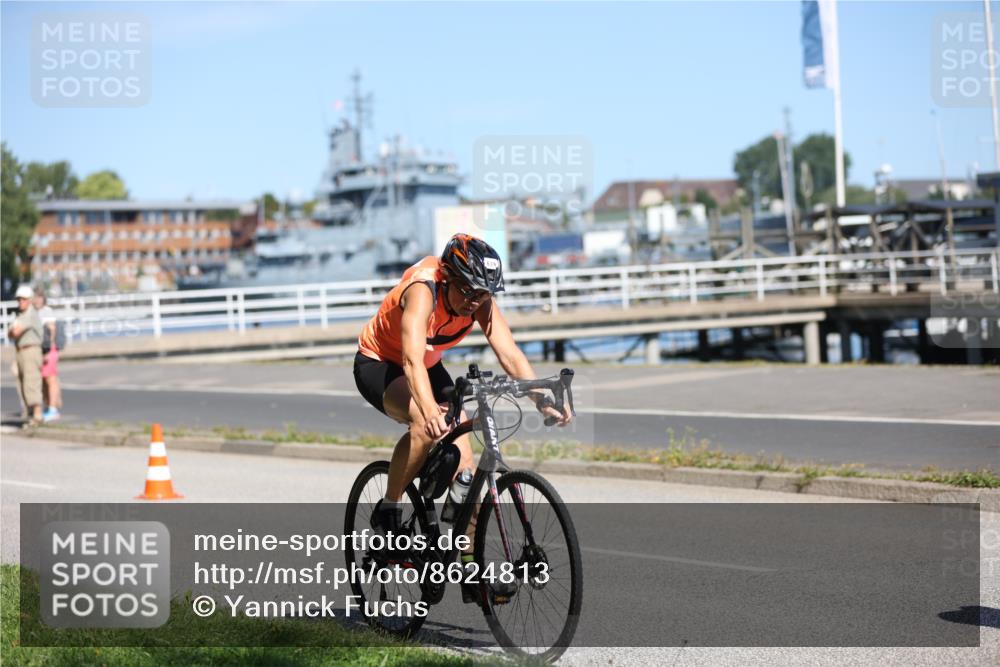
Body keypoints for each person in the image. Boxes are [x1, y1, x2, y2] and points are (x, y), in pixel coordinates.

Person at [353, 233, 572, 596]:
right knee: (426, 424)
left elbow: (510, 353)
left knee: (468, 472)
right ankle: (389, 508)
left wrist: (539, 398)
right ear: (448, 277)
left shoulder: (480, 298)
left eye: (483, 295)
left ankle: (470, 569)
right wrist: (427, 410)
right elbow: (409, 360)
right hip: (380, 364)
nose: (474, 302)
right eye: (468, 292)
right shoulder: (423, 289)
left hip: (427, 364)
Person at [9, 285, 44, 427]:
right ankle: (31, 415)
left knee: (31, 382)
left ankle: (37, 415)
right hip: (20, 350)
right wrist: (12, 332)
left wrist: (13, 332)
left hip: (31, 350)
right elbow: (10, 333)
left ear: (29, 300)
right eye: (18, 299)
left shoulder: (30, 314)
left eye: (23, 299)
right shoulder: (21, 315)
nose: (20, 302)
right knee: (22, 383)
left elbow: (15, 332)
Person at [34, 292, 62, 422]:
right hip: (42, 350)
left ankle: (52, 409)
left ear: (43, 299)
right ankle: (49, 406)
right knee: (45, 381)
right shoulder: (37, 312)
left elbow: (51, 329)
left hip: (48, 350)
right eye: (35, 298)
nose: (37, 300)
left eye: (39, 298)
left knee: (51, 380)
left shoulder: (46, 311)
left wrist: (48, 349)